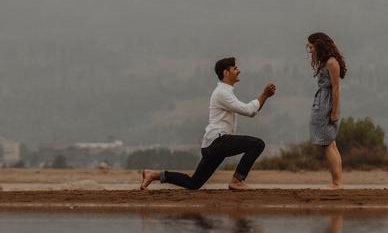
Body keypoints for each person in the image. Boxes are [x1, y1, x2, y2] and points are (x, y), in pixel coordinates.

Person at [140, 57, 275, 193]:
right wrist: (264, 94)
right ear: (226, 73)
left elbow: (250, 110)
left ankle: (153, 175)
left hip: (211, 144)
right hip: (217, 142)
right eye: (235, 68)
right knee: (258, 144)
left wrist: (264, 96)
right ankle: (237, 181)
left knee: (193, 183)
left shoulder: (225, 91)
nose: (238, 70)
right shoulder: (222, 92)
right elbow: (249, 111)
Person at [307, 32, 346, 189]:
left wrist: (334, 112)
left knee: (327, 144)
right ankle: (337, 181)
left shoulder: (331, 62)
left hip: (326, 103)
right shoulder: (326, 61)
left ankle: (336, 182)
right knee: (331, 143)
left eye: (311, 46)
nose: (310, 50)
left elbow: (336, 89)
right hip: (322, 100)